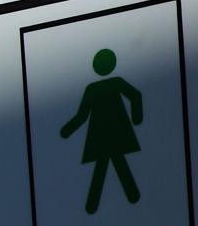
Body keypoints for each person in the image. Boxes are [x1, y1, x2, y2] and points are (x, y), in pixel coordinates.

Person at [60, 47, 145, 214]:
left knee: (108, 165)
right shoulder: (101, 86)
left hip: (106, 133)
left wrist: (67, 130)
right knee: (113, 163)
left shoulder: (102, 86)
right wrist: (66, 131)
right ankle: (128, 196)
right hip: (109, 133)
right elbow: (135, 96)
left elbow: (135, 95)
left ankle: (96, 204)